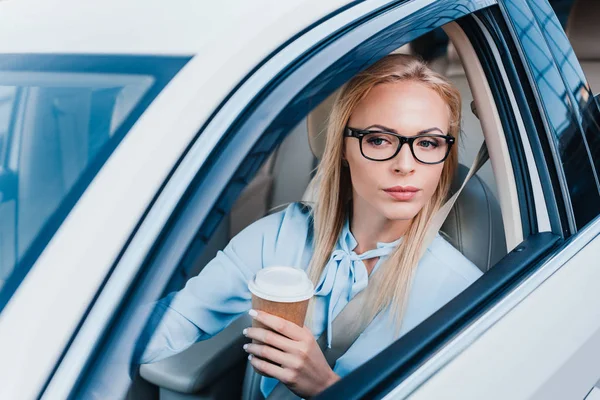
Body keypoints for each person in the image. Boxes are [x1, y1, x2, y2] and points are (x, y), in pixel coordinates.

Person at [135, 54, 483, 398]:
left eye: (427, 143)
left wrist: (324, 388)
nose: (405, 165)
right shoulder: (278, 237)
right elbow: (176, 320)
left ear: (445, 156)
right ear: (343, 147)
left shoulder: (462, 294)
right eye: (378, 139)